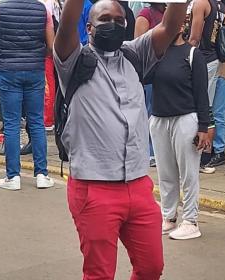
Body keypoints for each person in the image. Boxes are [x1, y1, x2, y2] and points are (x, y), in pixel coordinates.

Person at [54, 0, 188, 278]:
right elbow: (67, 23)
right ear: (89, 28)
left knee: (152, 267)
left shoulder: (134, 54)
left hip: (138, 185)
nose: (113, 25)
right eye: (105, 19)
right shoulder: (72, 59)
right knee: (100, 273)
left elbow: (170, 25)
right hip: (94, 187)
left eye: (119, 19)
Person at [150, 20, 209, 240]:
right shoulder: (156, 54)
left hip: (185, 119)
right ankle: (169, 216)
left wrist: (204, 126)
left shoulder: (193, 54)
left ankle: (191, 220)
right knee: (165, 173)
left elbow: (202, 93)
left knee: (188, 174)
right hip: (159, 119)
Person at [0, 0, 55, 191]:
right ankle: (42, 174)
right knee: (36, 122)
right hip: (34, 70)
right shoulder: (43, 10)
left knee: (11, 123)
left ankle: (13, 176)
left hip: (8, 70)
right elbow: (51, 44)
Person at [189, 0, 225, 173]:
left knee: (199, 107)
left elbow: (194, 37)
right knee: (208, 106)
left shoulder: (201, 3)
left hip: (201, 58)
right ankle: (206, 157)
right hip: (213, 57)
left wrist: (184, 57)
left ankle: (202, 158)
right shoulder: (219, 6)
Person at [134, 3, 165, 167]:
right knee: (149, 112)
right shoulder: (145, 14)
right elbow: (138, 46)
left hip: (165, 72)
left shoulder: (165, 13)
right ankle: (150, 152)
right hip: (150, 74)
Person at [206, 13, 225, 167]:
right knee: (217, 113)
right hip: (221, 69)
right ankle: (215, 149)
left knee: (217, 113)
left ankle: (218, 150)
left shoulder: (223, 16)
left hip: (220, 69)